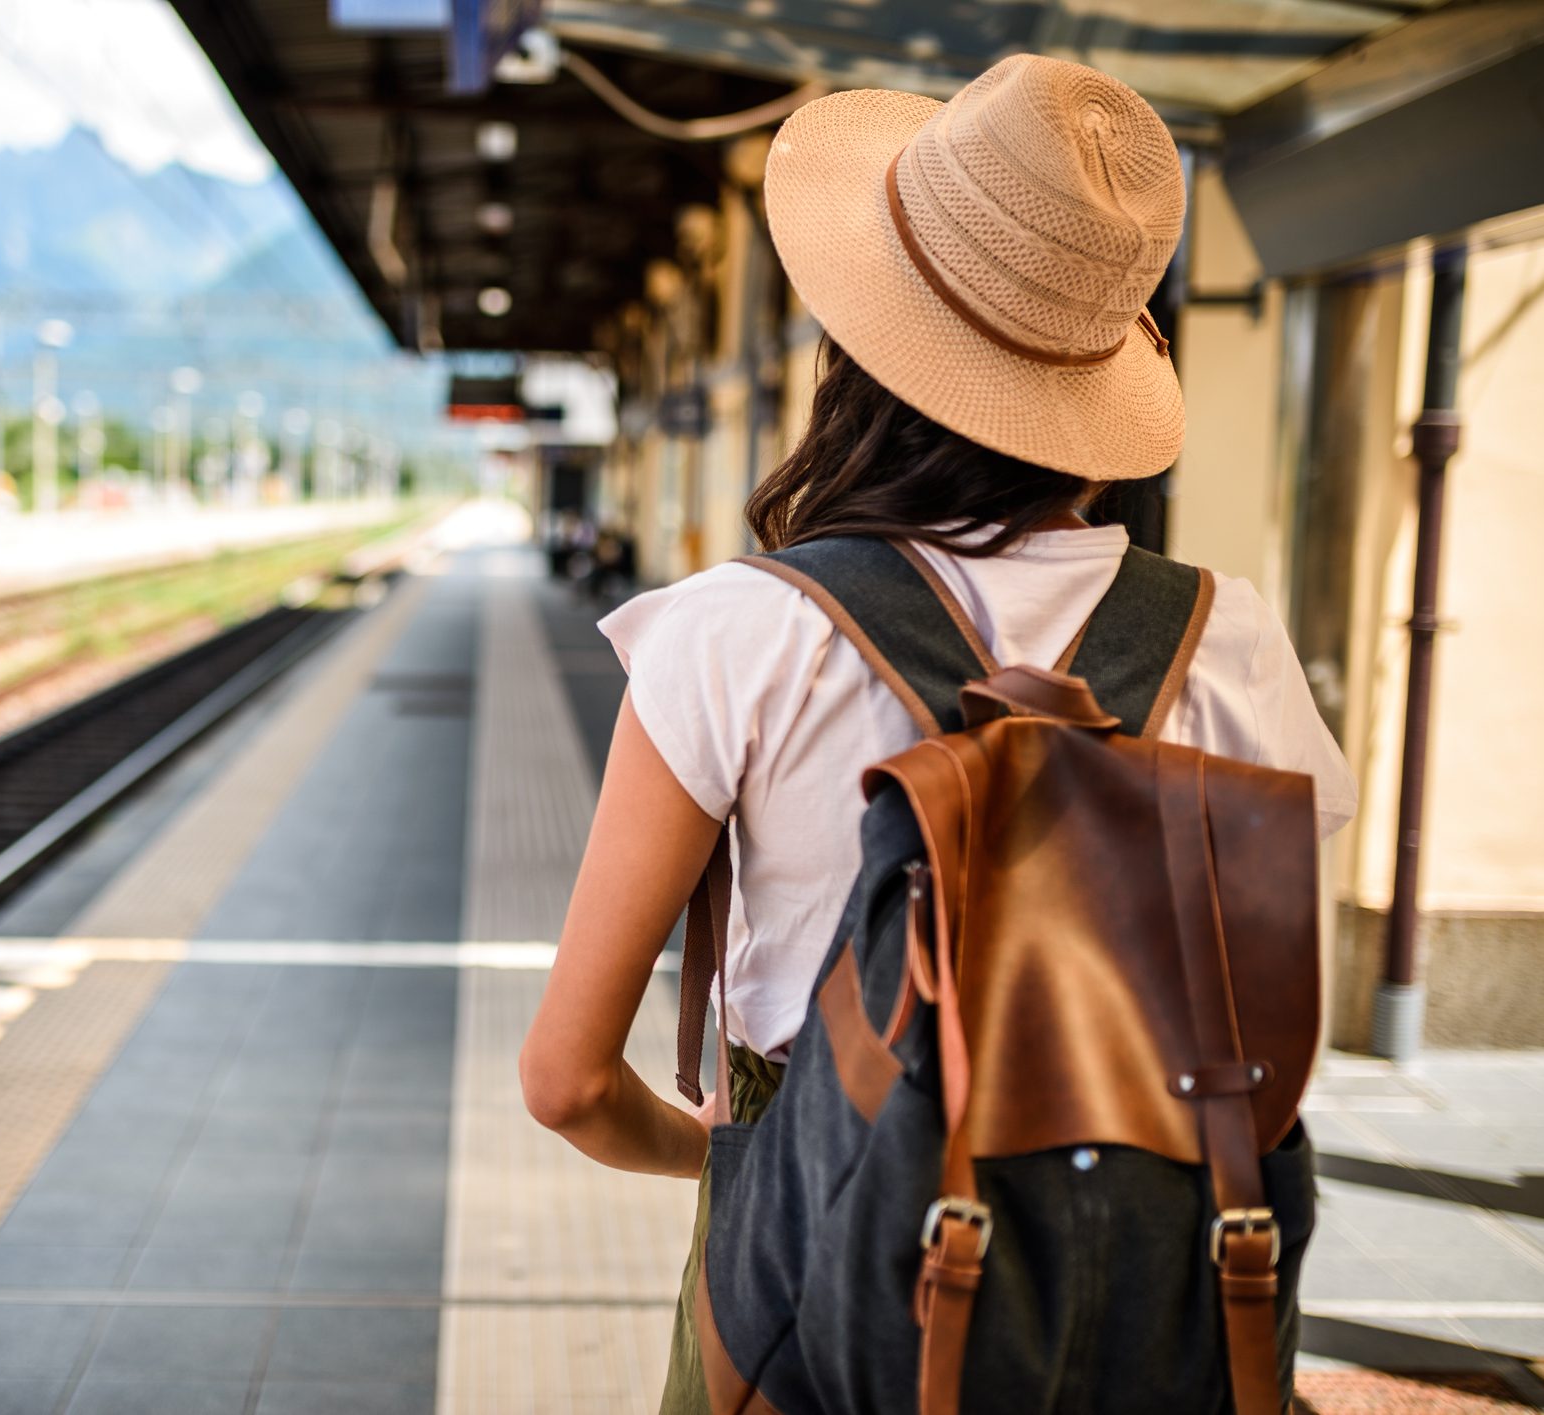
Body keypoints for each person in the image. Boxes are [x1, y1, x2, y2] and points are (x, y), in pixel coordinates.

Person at [517, 53, 1358, 1413]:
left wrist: (747, 1159)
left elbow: (565, 1081)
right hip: (1134, 1303)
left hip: (807, 1313)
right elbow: (1259, 1013)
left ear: (859, 353)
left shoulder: (738, 632)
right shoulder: (1229, 641)